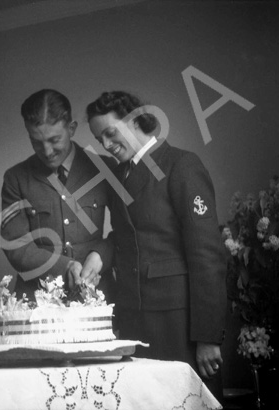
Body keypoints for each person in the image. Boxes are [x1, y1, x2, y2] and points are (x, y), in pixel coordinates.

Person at [86, 91, 227, 399]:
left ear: (137, 119)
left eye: (110, 134)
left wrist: (208, 336)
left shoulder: (181, 165)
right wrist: (100, 253)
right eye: (100, 140)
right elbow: (127, 236)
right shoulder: (121, 175)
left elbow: (207, 254)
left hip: (178, 321)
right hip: (135, 318)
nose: (107, 145)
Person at [0, 89, 116, 300]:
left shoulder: (104, 168)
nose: (47, 151)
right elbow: (15, 244)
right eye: (36, 141)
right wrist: (64, 266)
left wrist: (100, 256)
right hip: (36, 301)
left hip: (94, 296)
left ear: (71, 128)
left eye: (54, 140)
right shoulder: (15, 179)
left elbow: (127, 232)